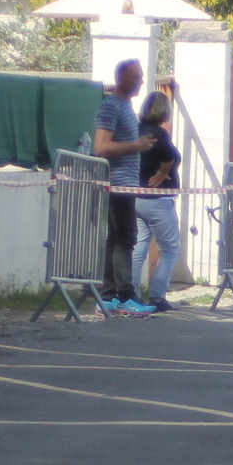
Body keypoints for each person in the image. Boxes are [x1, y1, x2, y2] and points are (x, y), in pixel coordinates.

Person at [92, 60, 156, 315]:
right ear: (121, 79)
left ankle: (109, 296)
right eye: (135, 76)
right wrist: (134, 145)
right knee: (126, 237)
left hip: (124, 183)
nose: (141, 81)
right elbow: (101, 147)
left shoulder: (126, 106)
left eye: (140, 76)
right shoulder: (111, 106)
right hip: (118, 182)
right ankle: (125, 296)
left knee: (117, 237)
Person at [132, 90, 181, 313]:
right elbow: (169, 156)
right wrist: (163, 172)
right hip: (158, 199)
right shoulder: (159, 134)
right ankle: (157, 296)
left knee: (138, 247)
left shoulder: (136, 130)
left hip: (136, 197)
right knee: (170, 248)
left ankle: (131, 294)